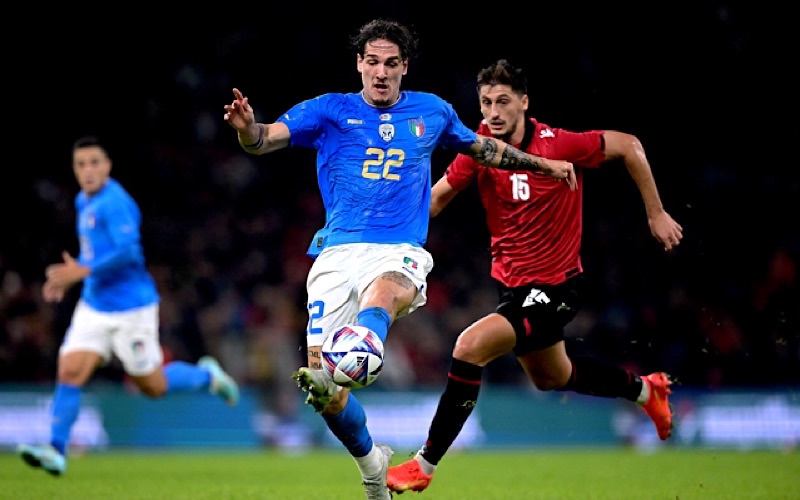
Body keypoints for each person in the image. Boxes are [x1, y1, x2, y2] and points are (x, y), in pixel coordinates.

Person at [222, 20, 575, 500]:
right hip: (336, 255)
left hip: (399, 249)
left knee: (385, 290)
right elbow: (265, 138)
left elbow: (486, 150)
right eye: (373, 62)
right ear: (359, 64)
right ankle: (373, 465)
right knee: (324, 389)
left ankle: (367, 339)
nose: (381, 72)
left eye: (391, 63)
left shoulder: (432, 111)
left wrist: (543, 164)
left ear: (405, 67)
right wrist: (247, 129)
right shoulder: (329, 110)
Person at [387, 59, 684, 494]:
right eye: (486, 102)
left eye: (503, 101)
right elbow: (434, 202)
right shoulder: (481, 148)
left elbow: (629, 145)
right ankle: (647, 391)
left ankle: (424, 464)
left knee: (469, 347)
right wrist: (381, 224)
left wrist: (655, 213)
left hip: (557, 287)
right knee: (552, 377)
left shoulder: (559, 144)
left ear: (524, 103)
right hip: (514, 289)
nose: (493, 112)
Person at [17, 136, 240, 477]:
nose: (88, 170)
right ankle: (56, 451)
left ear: (107, 166)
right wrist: (75, 271)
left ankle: (208, 376)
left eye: (95, 163)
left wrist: (83, 271)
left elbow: (128, 252)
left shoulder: (116, 202)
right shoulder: (82, 201)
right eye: (81, 164)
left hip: (132, 310)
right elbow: (96, 254)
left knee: (153, 386)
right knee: (70, 371)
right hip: (94, 305)